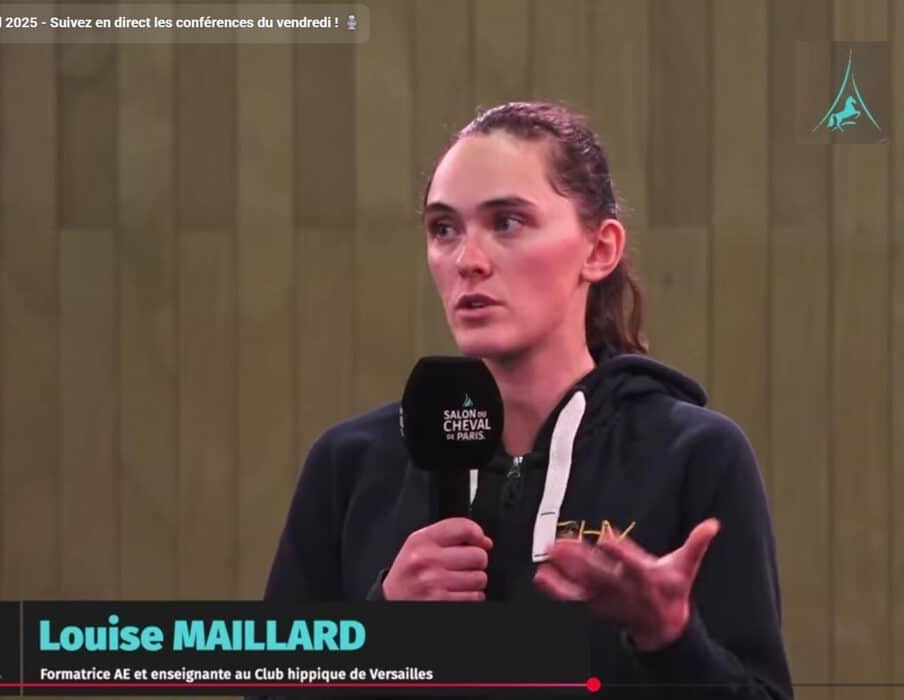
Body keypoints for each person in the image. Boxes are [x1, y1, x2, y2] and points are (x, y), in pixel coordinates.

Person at [262, 101, 793, 699]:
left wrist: (672, 638)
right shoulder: (353, 462)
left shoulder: (694, 455)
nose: (468, 260)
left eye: (507, 222)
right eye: (444, 229)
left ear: (600, 249)